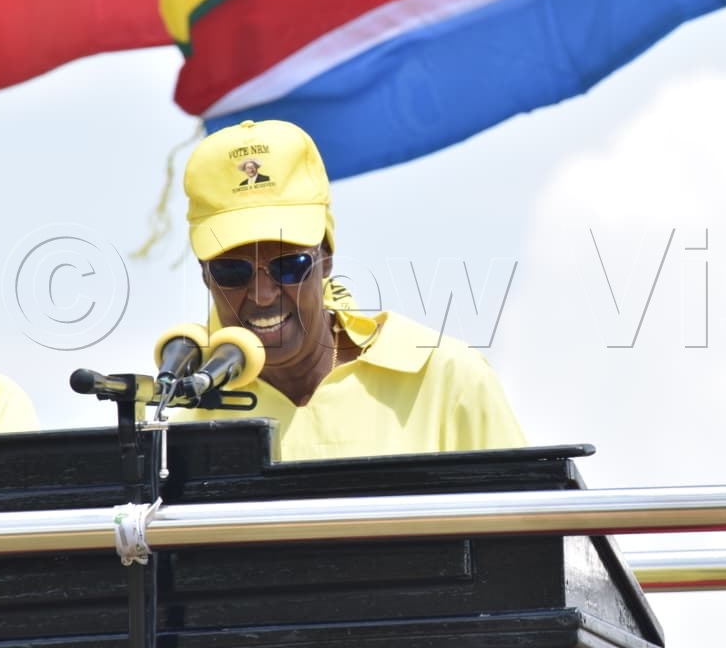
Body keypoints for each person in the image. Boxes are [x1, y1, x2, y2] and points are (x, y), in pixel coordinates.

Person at [170, 119, 526, 461]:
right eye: (232, 270)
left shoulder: (446, 380)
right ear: (205, 274)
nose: (263, 295)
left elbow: (529, 521)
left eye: (289, 266)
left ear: (326, 258)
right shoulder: (173, 424)